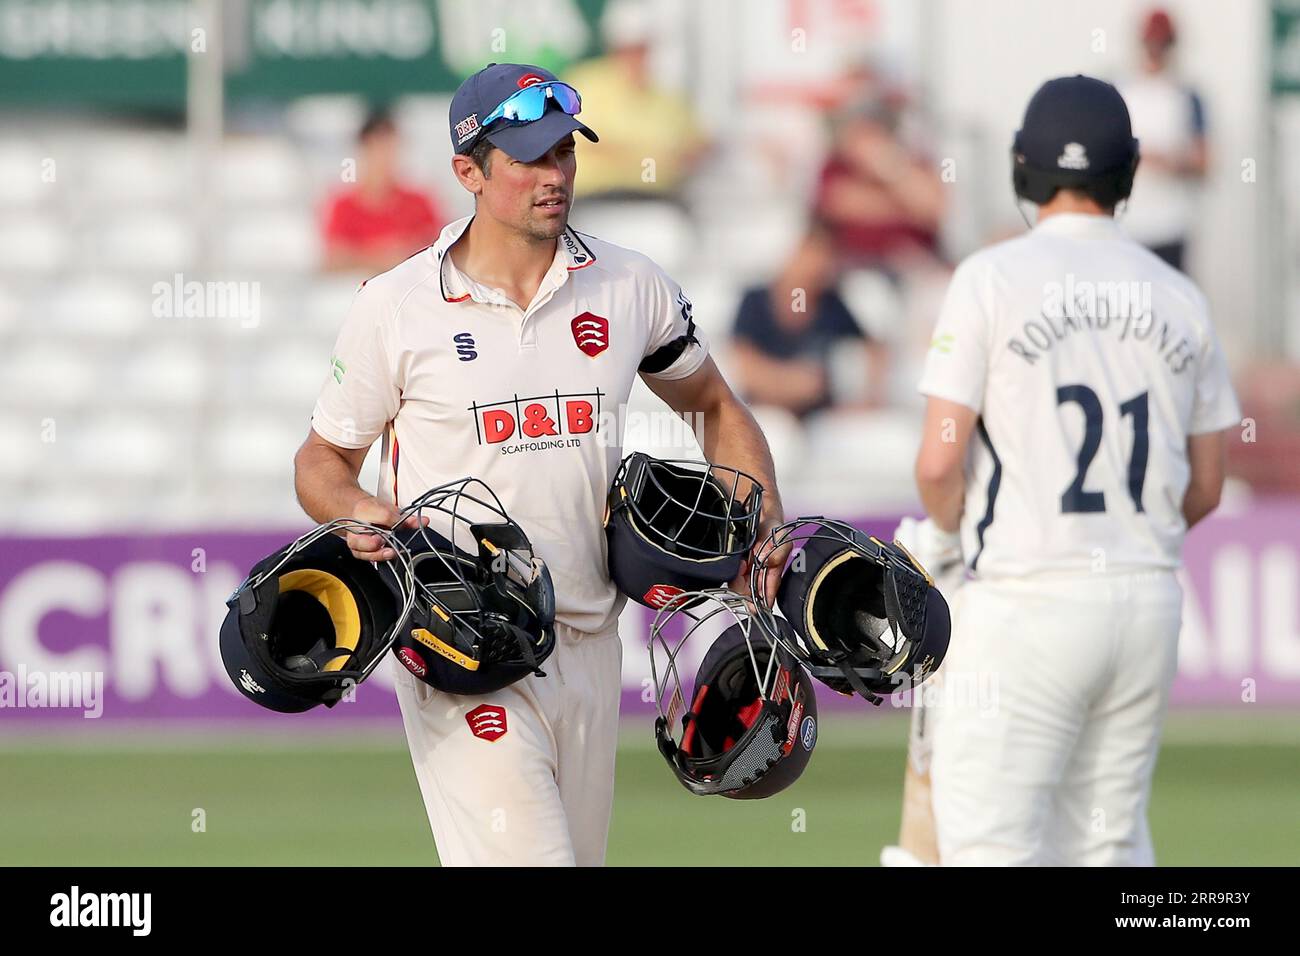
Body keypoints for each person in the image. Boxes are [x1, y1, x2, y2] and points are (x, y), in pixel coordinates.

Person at [293, 63, 786, 867]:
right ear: (469, 172)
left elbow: (715, 406)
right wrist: (357, 510)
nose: (553, 175)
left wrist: (760, 522)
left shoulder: (630, 285)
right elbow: (321, 461)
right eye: (527, 158)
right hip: (464, 645)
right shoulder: (396, 305)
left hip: (594, 645)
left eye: (563, 152)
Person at [911, 75, 1238, 866]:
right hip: (1145, 606)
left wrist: (951, 543)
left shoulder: (989, 278)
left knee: (991, 848)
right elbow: (1205, 487)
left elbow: (937, 463)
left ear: (1023, 169)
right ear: (1128, 176)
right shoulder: (1181, 295)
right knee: (1110, 848)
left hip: (1024, 600)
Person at [731, 227, 889, 417]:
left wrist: (866, 396)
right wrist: (791, 382)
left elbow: (874, 349)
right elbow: (745, 365)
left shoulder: (831, 305)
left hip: (818, 415)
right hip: (764, 411)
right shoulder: (755, 301)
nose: (815, 266)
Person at [562, 0, 707, 203]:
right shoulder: (586, 85)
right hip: (596, 200)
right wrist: (655, 157)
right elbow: (580, 141)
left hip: (659, 199)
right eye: (630, 49)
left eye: (642, 49)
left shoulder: (667, 98)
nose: (636, 57)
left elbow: (697, 144)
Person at [1118, 8, 1209, 271]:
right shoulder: (1121, 90)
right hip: (1127, 227)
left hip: (1170, 228)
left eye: (1162, 43)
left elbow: (1205, 161)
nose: (1156, 50)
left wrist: (1169, 162)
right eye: (1151, 43)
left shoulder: (1186, 96)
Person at [320, 109, 446, 274]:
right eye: (376, 149)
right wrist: (384, 255)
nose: (384, 158)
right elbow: (333, 259)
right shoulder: (343, 205)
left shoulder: (419, 201)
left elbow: (441, 249)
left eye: (390, 149)